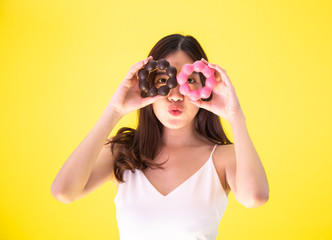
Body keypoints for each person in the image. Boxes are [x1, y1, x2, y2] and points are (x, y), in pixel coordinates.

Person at [51, 34, 269, 240]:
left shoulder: (223, 158)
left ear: (206, 87)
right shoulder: (123, 152)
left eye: (190, 80)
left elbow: (255, 197)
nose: (175, 95)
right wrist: (114, 111)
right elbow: (64, 192)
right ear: (148, 85)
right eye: (164, 79)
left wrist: (236, 116)